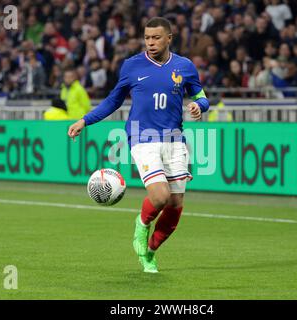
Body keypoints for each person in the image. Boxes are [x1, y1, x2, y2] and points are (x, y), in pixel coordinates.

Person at [68, 17, 209, 273]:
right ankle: (142, 225)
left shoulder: (185, 66)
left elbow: (202, 97)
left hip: (174, 139)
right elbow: (113, 100)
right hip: (142, 137)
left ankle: (150, 253)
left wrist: (199, 106)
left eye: (156, 37)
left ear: (169, 38)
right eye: (147, 38)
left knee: (175, 205)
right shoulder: (132, 66)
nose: (151, 42)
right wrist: (85, 120)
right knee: (160, 196)